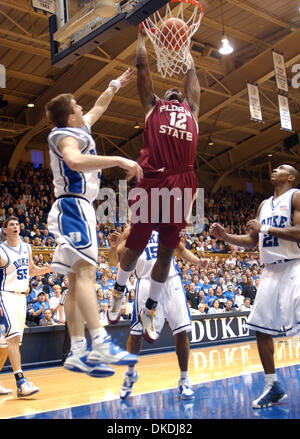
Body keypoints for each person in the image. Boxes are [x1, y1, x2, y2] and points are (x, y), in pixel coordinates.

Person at [45, 69, 143, 377]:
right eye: (76, 106)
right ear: (70, 116)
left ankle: (76, 352)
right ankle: (99, 342)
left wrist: (114, 84)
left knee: (76, 283)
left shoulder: (79, 128)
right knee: (87, 273)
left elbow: (100, 106)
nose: (81, 108)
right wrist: (118, 160)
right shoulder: (63, 136)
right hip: (74, 204)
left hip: (75, 207)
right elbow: (74, 161)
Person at [108, 26, 201, 344]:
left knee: (166, 254)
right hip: (154, 178)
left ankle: (150, 308)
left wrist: (185, 49)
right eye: (171, 92)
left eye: (180, 92)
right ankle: (119, 289)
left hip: (183, 179)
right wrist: (141, 39)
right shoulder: (152, 106)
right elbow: (143, 68)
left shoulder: (192, 110)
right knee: (133, 250)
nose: (176, 92)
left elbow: (192, 81)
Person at [210, 164, 300, 409]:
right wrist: (227, 237)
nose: (275, 169)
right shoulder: (264, 205)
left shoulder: (296, 196)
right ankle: (273, 386)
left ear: (290, 177)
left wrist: (266, 228)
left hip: (294, 265)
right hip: (270, 270)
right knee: (261, 328)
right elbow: (253, 239)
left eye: (281, 167)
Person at [108, 227, 207, 400]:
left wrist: (198, 261)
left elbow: (182, 250)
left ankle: (184, 380)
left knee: (181, 331)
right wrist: (113, 247)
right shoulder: (130, 230)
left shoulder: (165, 226)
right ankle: (130, 373)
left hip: (171, 281)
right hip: (145, 282)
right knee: (136, 334)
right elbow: (114, 261)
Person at [0, 216, 52, 397]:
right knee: (13, 338)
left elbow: (32, 270)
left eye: (17, 224)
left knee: (6, 345)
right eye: (11, 225)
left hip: (21, 298)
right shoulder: (1, 250)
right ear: (5, 230)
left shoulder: (27, 247)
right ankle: (21, 383)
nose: (15, 226)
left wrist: (50, 268)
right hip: (5, 295)